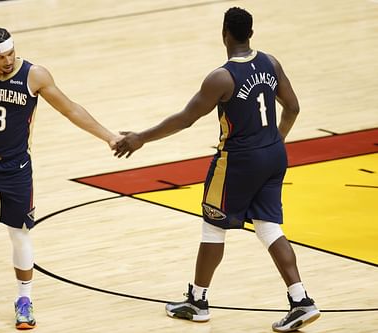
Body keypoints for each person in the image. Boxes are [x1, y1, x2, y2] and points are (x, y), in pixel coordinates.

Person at [114, 7, 320, 332]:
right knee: (268, 227)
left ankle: (197, 302)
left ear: (224, 32)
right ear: (250, 33)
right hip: (274, 155)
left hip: (239, 161)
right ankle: (301, 300)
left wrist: (140, 138)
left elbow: (185, 118)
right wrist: (273, 141)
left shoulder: (222, 77)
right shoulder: (270, 62)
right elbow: (293, 107)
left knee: (213, 226)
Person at [0, 26, 120, 330]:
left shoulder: (34, 76)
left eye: (11, 54)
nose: (7, 61)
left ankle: (24, 300)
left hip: (17, 168)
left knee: (19, 234)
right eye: (1, 57)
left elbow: (70, 109)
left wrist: (109, 136)